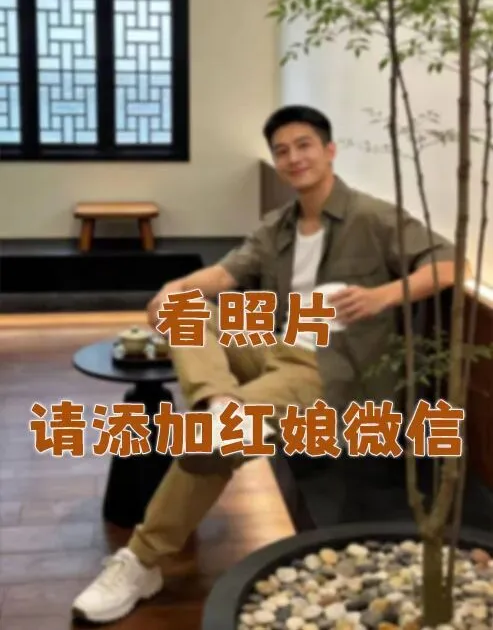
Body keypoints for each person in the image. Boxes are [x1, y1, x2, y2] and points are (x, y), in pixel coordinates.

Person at [71, 105, 456, 624]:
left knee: (209, 440)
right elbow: (225, 274)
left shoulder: (372, 217)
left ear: (329, 150)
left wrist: (383, 295)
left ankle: (141, 561)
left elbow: (451, 263)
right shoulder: (280, 225)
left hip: (329, 371)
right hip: (274, 346)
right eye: (282, 151)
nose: (293, 158)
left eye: (304, 145)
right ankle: (218, 402)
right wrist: (174, 289)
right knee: (187, 312)